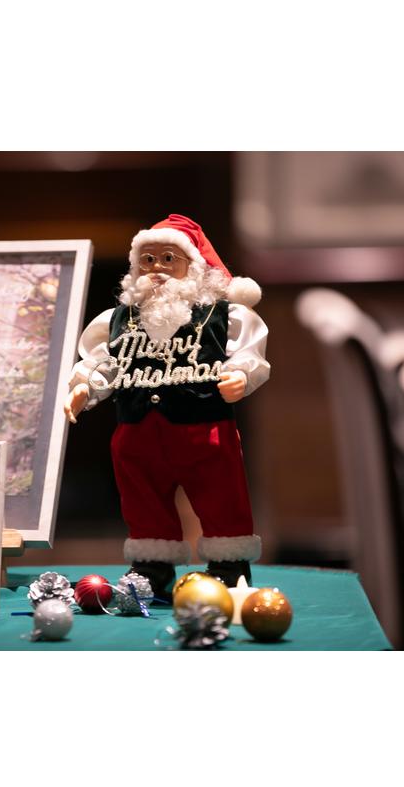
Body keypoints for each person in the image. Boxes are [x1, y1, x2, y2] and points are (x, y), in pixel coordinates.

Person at [64, 213, 270, 596]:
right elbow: (103, 364)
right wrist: (84, 388)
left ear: (193, 266)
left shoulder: (225, 317)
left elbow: (249, 356)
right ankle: (152, 567)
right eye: (148, 259)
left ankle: (229, 564)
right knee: (142, 501)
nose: (156, 268)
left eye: (168, 258)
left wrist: (241, 376)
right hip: (138, 430)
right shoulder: (116, 321)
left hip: (204, 428)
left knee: (221, 495)